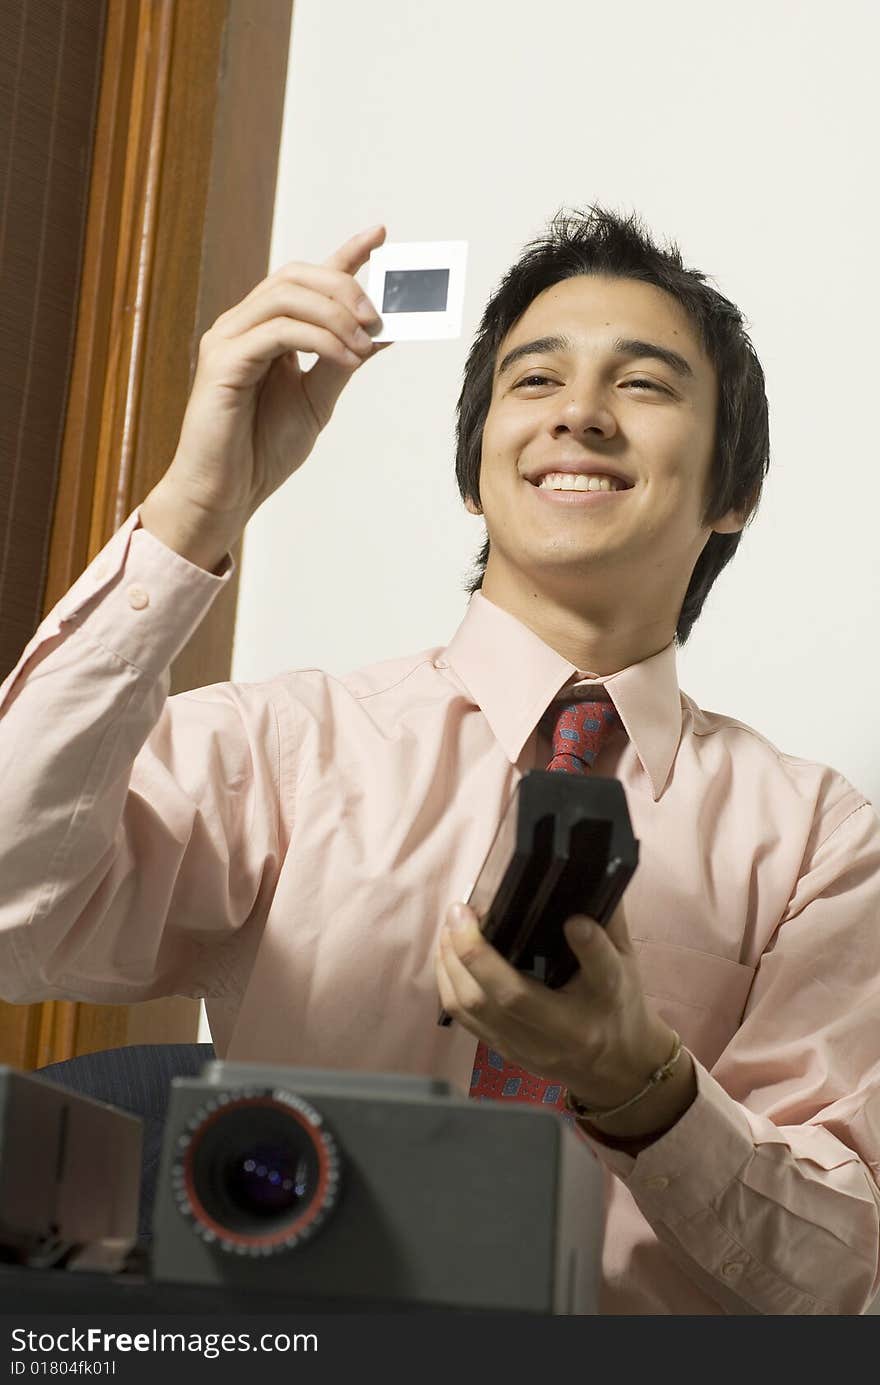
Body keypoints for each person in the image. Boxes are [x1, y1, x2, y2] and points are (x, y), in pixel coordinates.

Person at [1, 207, 878, 1316]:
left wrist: (638, 1083)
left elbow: (846, 1272)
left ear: (733, 491)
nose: (579, 413)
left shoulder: (814, 838)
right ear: (476, 471)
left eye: (644, 385)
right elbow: (10, 914)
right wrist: (197, 507)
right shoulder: (287, 747)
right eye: (533, 380)